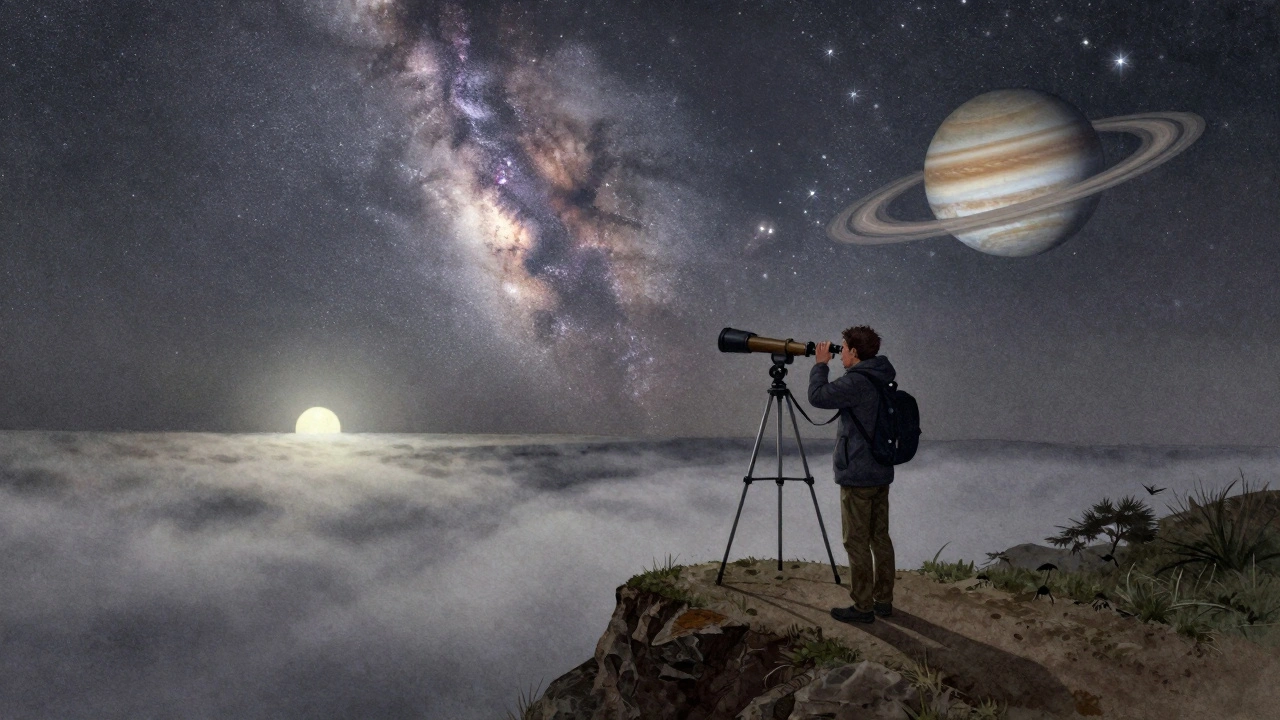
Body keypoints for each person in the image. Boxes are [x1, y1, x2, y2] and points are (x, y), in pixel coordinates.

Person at [808, 325, 896, 624]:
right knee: (879, 538)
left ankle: (862, 607)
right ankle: (883, 600)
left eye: (843, 348)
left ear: (855, 352)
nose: (840, 353)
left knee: (856, 541)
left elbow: (818, 396)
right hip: (880, 470)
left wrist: (821, 365)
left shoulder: (857, 381)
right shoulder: (880, 376)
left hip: (858, 474)